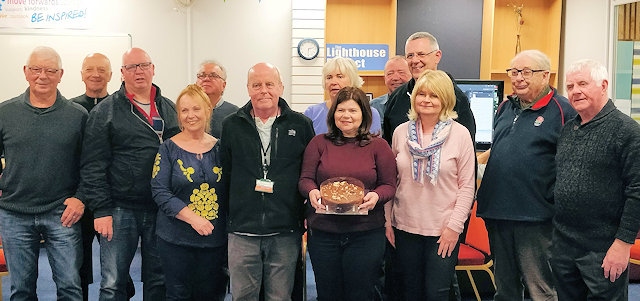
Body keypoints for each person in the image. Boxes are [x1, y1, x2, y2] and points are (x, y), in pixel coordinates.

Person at [77, 47, 180, 301]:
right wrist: (101, 210)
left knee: (159, 279)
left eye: (143, 65)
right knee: (113, 282)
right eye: (132, 67)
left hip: (160, 209)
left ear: (153, 68)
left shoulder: (169, 109)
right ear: (122, 73)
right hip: (119, 209)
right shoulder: (106, 111)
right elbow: (93, 164)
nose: (139, 71)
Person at [475, 49, 575, 301]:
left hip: (536, 216)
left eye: (526, 72)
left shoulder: (563, 110)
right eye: (514, 72)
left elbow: (571, 164)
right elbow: (500, 147)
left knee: (540, 289)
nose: (518, 77)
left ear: (545, 75)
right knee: (505, 289)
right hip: (497, 211)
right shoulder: (506, 106)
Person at [220, 62, 315, 300]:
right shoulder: (231, 125)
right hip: (242, 230)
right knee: (243, 296)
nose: (263, 90)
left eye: (269, 84)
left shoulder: (301, 125)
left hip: (285, 230)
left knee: (279, 297)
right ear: (248, 89)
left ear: (281, 87)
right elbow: (226, 175)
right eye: (257, 85)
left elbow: (308, 174)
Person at [0, 46, 87, 300]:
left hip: (62, 213)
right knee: (21, 290)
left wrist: (80, 198)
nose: (42, 76)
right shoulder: (4, 113)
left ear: (60, 74)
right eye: (36, 69)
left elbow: (90, 164)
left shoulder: (77, 116)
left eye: (50, 70)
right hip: (14, 213)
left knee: (70, 288)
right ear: (26, 72)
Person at [551, 59, 640, 300]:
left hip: (603, 248)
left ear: (603, 85)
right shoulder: (568, 130)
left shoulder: (627, 131)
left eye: (582, 84)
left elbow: (637, 191)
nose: (575, 91)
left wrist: (623, 244)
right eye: (570, 87)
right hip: (563, 246)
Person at [299, 86, 397, 301]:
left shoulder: (379, 146)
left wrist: (376, 197)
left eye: (353, 110)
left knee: (361, 293)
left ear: (364, 113)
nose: (346, 116)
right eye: (341, 110)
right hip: (324, 233)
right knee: (327, 293)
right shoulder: (319, 143)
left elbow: (389, 184)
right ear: (333, 114)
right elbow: (305, 179)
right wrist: (312, 191)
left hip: (366, 234)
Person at [384, 69, 475, 300]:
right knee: (409, 292)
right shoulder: (400, 132)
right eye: (421, 94)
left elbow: (466, 186)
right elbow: (391, 180)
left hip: (443, 230)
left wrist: (454, 228)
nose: (426, 99)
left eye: (434, 95)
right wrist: (387, 221)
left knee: (437, 293)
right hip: (404, 228)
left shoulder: (460, 134)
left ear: (445, 99)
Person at [69, 52, 136, 301]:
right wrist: (81, 195)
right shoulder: (70, 110)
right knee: (78, 266)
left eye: (101, 69)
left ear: (111, 74)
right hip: (78, 202)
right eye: (89, 69)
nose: (95, 74)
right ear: (82, 74)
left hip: (113, 201)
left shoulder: (122, 107)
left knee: (119, 271)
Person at [151, 84, 228, 301]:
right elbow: (159, 190)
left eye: (196, 109)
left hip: (214, 239)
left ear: (208, 111)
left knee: (212, 294)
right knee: (178, 294)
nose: (190, 115)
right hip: (175, 239)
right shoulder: (167, 148)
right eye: (184, 111)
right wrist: (193, 219)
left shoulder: (222, 148)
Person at [383, 32, 476, 145]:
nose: (415, 60)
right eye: (410, 55)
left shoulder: (456, 98)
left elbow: (467, 149)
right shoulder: (396, 98)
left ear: (437, 56)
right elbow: (388, 145)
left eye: (421, 54)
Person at [304, 57, 382, 135]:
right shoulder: (312, 113)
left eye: (339, 76)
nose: (333, 82)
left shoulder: (370, 113)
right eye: (329, 77)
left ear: (352, 79)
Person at [195, 60, 239, 138]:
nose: (206, 79)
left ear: (224, 85)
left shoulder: (235, 113)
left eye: (213, 76)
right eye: (202, 75)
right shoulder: (188, 111)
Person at [370, 55, 411, 130]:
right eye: (390, 74)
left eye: (401, 73)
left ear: (412, 75)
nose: (395, 78)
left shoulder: (419, 105)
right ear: (384, 78)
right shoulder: (373, 106)